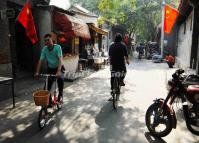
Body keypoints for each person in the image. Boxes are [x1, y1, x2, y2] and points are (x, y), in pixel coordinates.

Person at [35, 33, 64, 104]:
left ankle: (60, 95)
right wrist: (37, 72)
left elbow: (60, 59)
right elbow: (40, 60)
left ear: (52, 40)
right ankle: (50, 102)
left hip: (59, 67)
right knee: (46, 87)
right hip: (50, 69)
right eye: (45, 41)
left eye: (48, 40)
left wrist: (59, 71)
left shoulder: (58, 47)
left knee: (60, 80)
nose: (46, 42)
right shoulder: (44, 49)